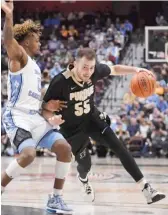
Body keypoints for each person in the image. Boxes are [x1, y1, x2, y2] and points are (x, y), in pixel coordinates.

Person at [42, 48, 166, 204]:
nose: (88, 72)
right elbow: (44, 107)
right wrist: (51, 118)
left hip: (92, 119)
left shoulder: (94, 71)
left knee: (119, 147)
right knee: (85, 164)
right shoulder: (60, 82)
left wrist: (137, 70)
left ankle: (147, 189)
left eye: (91, 67)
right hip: (72, 129)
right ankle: (84, 179)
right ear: (75, 64)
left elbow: (115, 69)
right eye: (84, 67)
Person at [1, 1, 73, 214]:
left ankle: (56, 199)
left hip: (34, 117)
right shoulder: (19, 57)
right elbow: (7, 41)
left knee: (65, 149)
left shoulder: (35, 66)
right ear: (25, 42)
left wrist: (46, 105)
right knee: (29, 154)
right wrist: (8, 16)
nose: (40, 43)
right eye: (36, 39)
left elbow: (31, 99)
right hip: (17, 116)